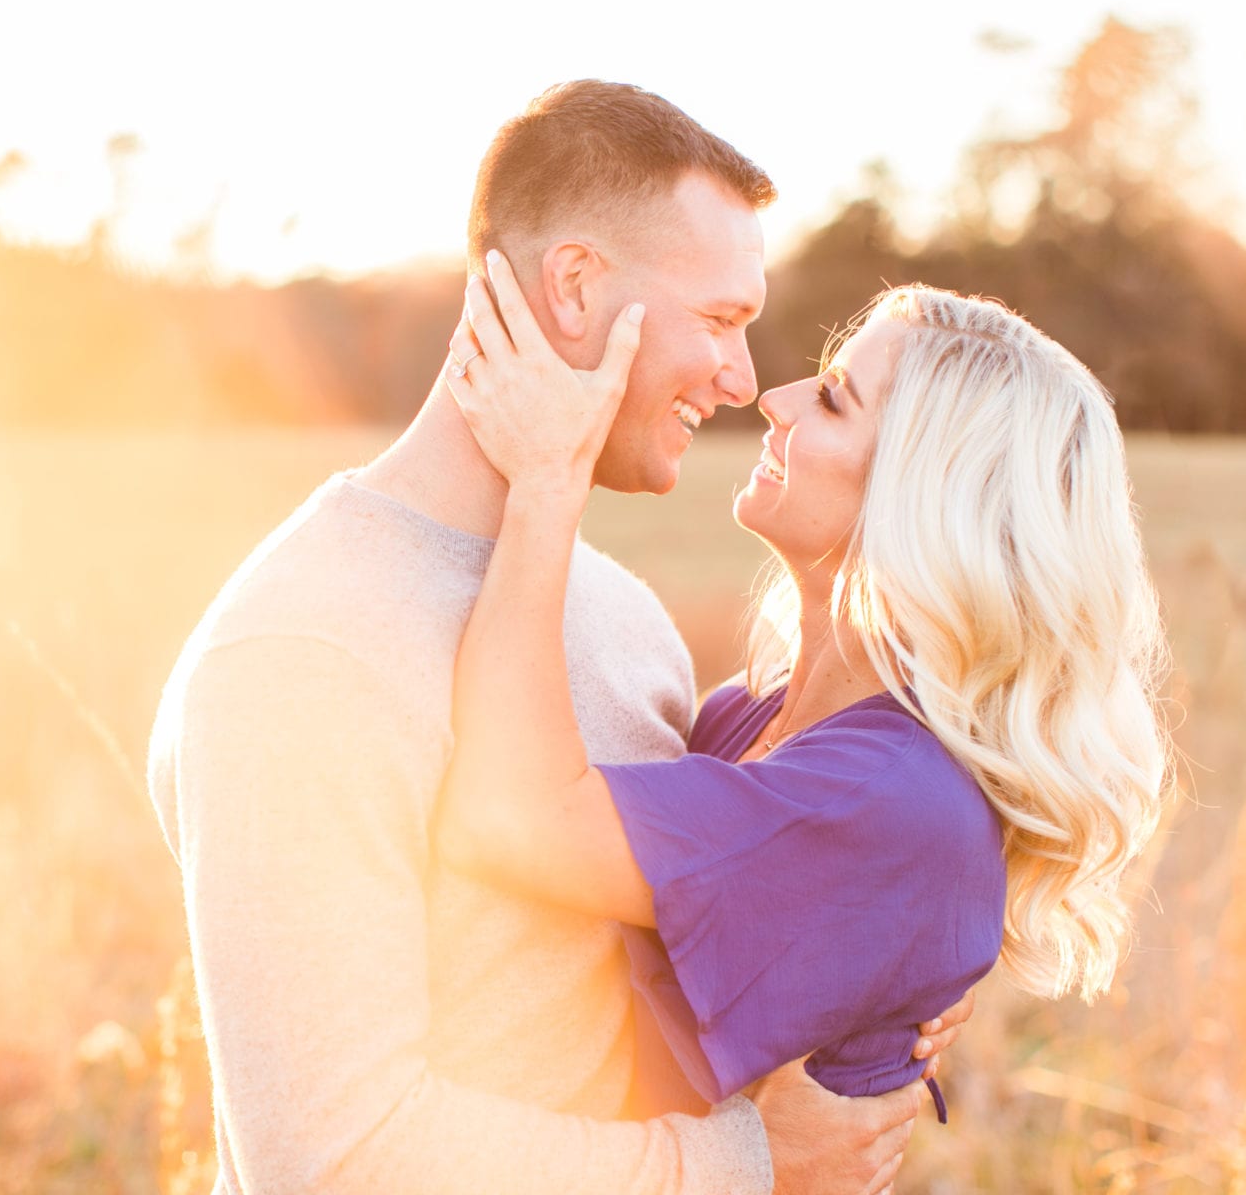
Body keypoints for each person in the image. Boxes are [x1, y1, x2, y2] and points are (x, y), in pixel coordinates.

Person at [146, 80, 971, 1195]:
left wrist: (896, 956)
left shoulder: (621, 618)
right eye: (721, 321)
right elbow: (333, 1161)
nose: (741, 378)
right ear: (577, 287)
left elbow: (712, 918)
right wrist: (745, 1165)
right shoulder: (303, 656)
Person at [438, 268, 1173, 1123]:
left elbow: (509, 823)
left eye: (830, 399)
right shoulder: (749, 713)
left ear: (920, 490)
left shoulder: (888, 800)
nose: (774, 399)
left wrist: (546, 482)